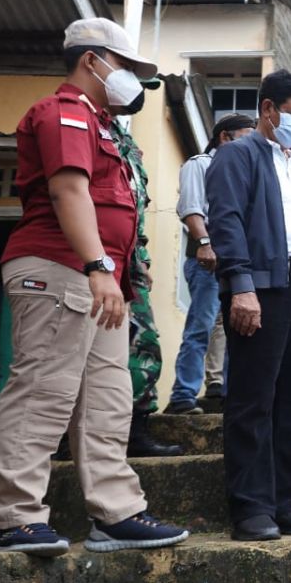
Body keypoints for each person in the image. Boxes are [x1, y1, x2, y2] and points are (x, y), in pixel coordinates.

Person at [0, 17, 188, 555]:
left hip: (100, 280)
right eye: (124, 66)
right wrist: (99, 265)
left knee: (108, 397)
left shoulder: (106, 128)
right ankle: (15, 517)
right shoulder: (65, 113)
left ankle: (116, 512)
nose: (131, 81)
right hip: (59, 268)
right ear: (92, 60)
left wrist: (116, 272)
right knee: (44, 390)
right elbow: (69, 193)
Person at [205, 68, 291, 541]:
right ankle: (251, 507)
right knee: (254, 398)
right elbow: (226, 220)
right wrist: (241, 286)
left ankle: (285, 503)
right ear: (269, 110)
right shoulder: (238, 156)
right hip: (262, 284)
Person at [167, 114, 256, 414]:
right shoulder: (200, 163)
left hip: (234, 263)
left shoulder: (243, 171)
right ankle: (183, 396)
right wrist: (204, 243)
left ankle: (223, 390)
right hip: (207, 259)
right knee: (201, 325)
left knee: (231, 327)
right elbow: (191, 207)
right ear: (225, 137)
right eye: (246, 134)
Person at [111, 107, 185, 457]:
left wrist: (140, 258)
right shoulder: (80, 125)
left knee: (144, 348)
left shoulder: (128, 145)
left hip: (130, 266)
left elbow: (132, 212)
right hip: (96, 264)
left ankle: (136, 432)